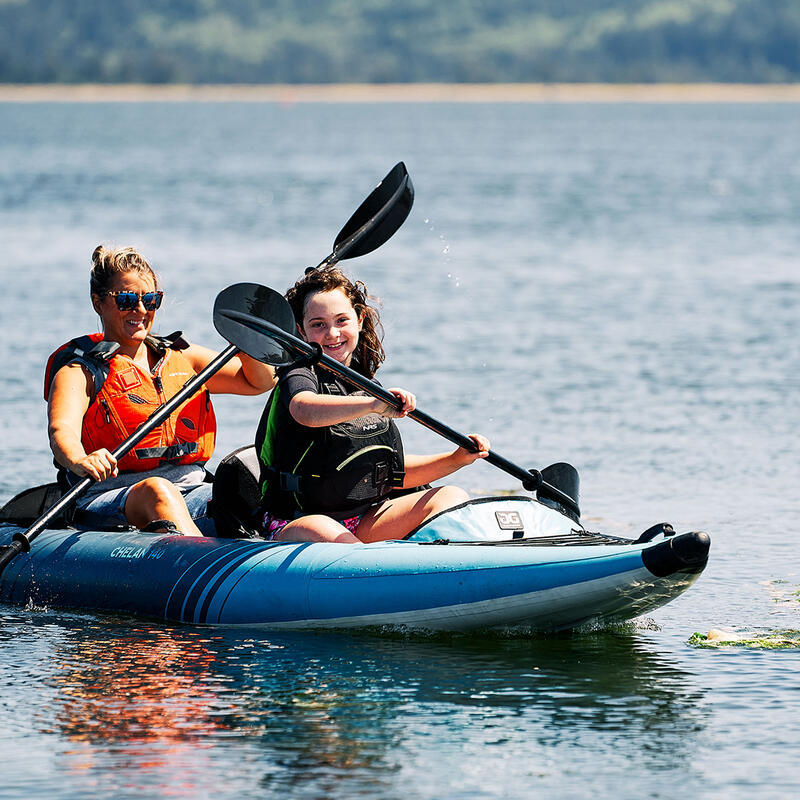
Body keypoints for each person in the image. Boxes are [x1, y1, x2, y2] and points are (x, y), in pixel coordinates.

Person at [46, 245, 275, 536]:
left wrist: (248, 341)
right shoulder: (80, 372)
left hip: (192, 489)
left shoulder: (183, 358)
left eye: (150, 300)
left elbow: (259, 382)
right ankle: (205, 566)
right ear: (98, 302)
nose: (140, 311)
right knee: (158, 490)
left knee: (249, 484)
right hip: (110, 497)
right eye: (127, 300)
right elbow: (60, 432)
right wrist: (80, 460)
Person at [255, 266, 490, 543]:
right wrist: (371, 404)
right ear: (300, 330)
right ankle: (374, 570)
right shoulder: (299, 373)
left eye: (341, 320)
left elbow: (394, 475)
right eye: (318, 324)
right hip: (298, 521)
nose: (332, 333)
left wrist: (455, 459)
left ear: (360, 319)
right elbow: (303, 409)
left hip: (363, 519)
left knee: (452, 497)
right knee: (323, 528)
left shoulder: (366, 385)